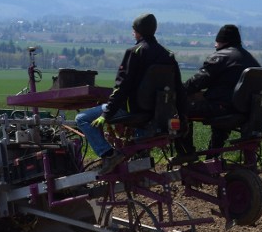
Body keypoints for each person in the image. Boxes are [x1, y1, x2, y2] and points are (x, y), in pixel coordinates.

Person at [76, 13, 185, 174]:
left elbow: (121, 88)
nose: (133, 33)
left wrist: (106, 115)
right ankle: (141, 153)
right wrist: (183, 117)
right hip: (156, 113)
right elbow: (179, 89)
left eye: (134, 30)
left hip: (133, 110)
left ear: (138, 31)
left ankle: (109, 155)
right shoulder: (168, 55)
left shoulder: (135, 52)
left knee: (82, 119)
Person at [173, 24, 261, 161]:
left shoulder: (221, 56)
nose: (215, 46)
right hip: (245, 111)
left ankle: (186, 152)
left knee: (178, 110)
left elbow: (198, 82)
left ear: (222, 41)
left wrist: (179, 92)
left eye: (217, 42)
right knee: (220, 114)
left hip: (223, 108)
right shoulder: (251, 60)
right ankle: (212, 155)